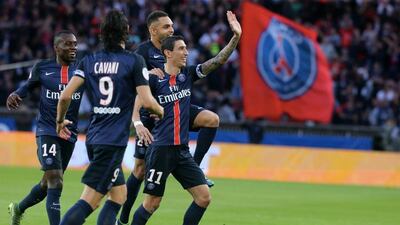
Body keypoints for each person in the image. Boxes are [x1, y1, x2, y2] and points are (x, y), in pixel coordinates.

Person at [131, 11, 241, 225]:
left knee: (203, 198)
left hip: (181, 151)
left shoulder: (187, 75)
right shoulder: (153, 79)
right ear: (167, 53)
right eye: (181, 49)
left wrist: (235, 38)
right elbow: (138, 101)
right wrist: (137, 123)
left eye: (186, 48)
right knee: (152, 204)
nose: (186, 53)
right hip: (161, 149)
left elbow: (217, 61)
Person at [56, 10, 163, 225]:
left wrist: (59, 122)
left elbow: (65, 95)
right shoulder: (135, 61)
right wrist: (161, 111)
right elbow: (149, 102)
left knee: (119, 195)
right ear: (127, 31)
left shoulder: (89, 60)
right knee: (90, 200)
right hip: (112, 143)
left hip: (94, 137)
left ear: (102, 33)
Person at [7, 31, 83, 225]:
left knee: (46, 183)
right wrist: (16, 94)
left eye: (75, 44)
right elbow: (28, 86)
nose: (73, 48)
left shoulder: (83, 69)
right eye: (68, 44)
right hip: (47, 129)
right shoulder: (42, 67)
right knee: (55, 180)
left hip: (69, 132)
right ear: (56, 48)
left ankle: (18, 208)